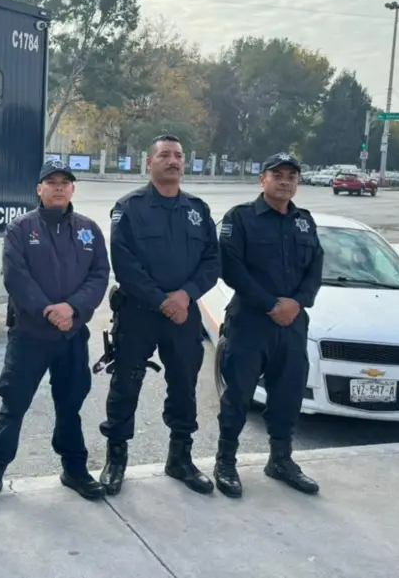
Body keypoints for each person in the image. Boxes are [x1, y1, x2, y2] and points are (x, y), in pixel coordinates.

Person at [0, 159, 111, 510]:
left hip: (72, 335)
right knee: (13, 405)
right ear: (39, 189)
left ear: (73, 189)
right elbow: (15, 277)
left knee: (70, 405)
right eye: (51, 181)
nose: (59, 187)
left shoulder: (88, 229)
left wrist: (73, 310)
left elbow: (99, 275)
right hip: (31, 335)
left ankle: (75, 470)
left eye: (65, 182)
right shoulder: (21, 228)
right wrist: (49, 310)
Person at [98, 135, 222, 496]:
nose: (173, 161)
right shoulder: (129, 207)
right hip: (139, 313)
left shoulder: (198, 210)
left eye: (179, 156)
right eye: (165, 155)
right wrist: (161, 300)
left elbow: (212, 262)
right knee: (125, 385)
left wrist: (183, 296)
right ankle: (116, 459)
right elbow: (124, 263)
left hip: (184, 315)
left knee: (184, 385)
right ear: (149, 163)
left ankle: (180, 458)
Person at [213, 152, 324, 498]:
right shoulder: (241, 218)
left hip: (291, 324)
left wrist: (297, 302)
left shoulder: (304, 221)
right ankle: (226, 461)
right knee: (238, 396)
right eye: (277, 174)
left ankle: (280, 460)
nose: (285, 181)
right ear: (262, 180)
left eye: (292, 175)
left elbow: (315, 267)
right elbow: (231, 269)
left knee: (288, 395)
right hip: (250, 322)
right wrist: (271, 304)